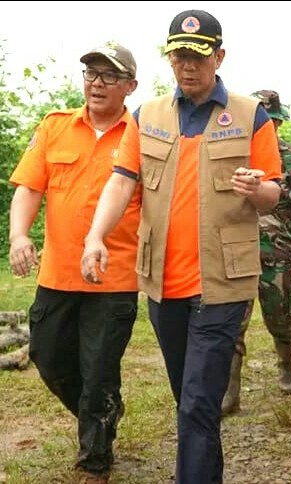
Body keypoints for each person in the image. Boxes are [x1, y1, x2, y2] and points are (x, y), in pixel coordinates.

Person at [79, 10, 282, 484]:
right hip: (163, 284)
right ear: (169, 59)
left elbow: (274, 189)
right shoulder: (146, 116)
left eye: (198, 55)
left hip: (223, 284)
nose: (187, 66)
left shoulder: (251, 114)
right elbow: (122, 181)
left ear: (219, 56)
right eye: (179, 56)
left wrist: (258, 189)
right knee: (192, 401)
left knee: (195, 403)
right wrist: (95, 236)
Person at [8, 41, 139, 483]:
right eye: (91, 74)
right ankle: (102, 410)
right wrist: (19, 235)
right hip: (58, 273)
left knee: (100, 368)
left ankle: (94, 461)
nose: (97, 83)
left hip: (114, 277)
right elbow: (29, 187)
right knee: (48, 356)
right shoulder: (55, 128)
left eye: (108, 76)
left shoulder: (144, 135)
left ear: (130, 86)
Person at [221, 90, 291, 415]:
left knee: (281, 317)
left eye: (272, 121)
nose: (267, 127)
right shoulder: (229, 155)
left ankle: (287, 365)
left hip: (279, 255)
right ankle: (229, 392)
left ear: (279, 122)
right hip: (236, 254)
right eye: (261, 121)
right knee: (233, 322)